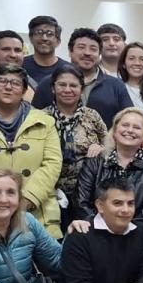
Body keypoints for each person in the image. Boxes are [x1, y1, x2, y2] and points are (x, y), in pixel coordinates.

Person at [0, 64, 64, 238]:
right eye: (2, 81)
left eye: (15, 83)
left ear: (24, 90)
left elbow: (52, 163)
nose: (8, 87)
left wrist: (27, 198)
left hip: (39, 214)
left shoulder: (45, 121)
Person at [74, 108, 143, 234]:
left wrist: (126, 230)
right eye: (125, 125)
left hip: (136, 234)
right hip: (95, 231)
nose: (130, 130)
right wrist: (101, 228)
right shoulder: (95, 160)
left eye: (137, 127)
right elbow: (81, 202)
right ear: (114, 131)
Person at [43, 66, 107, 231]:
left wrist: (100, 147)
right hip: (51, 191)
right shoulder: (41, 118)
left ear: (81, 89)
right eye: (62, 85)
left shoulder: (92, 116)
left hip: (88, 191)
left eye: (73, 85)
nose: (67, 90)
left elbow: (110, 143)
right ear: (52, 88)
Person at [31, 27, 134, 127]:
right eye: (81, 47)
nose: (87, 53)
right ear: (70, 51)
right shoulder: (49, 83)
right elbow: (33, 120)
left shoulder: (115, 86)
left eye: (93, 49)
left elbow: (129, 120)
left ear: (99, 54)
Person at [22, 15, 70, 86]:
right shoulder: (21, 65)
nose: (44, 38)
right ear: (31, 38)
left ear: (58, 41)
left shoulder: (67, 69)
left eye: (49, 34)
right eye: (39, 32)